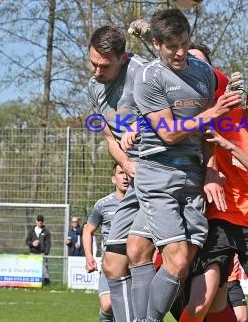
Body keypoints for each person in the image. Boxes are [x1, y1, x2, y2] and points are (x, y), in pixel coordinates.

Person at [126, 8, 242, 322]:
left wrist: (211, 168)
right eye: (170, 46)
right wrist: (213, 112)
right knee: (175, 261)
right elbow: (169, 133)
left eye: (183, 43)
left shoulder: (203, 73)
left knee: (163, 254)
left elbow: (208, 130)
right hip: (159, 173)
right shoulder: (149, 77)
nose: (179, 52)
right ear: (156, 43)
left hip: (192, 176)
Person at [179, 73, 248, 322]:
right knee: (203, 300)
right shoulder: (227, 117)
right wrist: (211, 169)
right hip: (221, 217)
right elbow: (205, 136)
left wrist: (229, 146)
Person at [87, 25, 151, 322]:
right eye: (92, 63)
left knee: (141, 253)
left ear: (123, 58)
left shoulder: (144, 72)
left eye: (104, 65)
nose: (97, 71)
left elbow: (176, 116)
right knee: (113, 263)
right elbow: (111, 140)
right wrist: (126, 165)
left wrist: (141, 127)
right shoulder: (93, 88)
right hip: (133, 172)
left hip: (162, 169)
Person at [83, 162, 130, 322]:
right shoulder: (103, 204)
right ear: (113, 178)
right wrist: (89, 257)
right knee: (108, 305)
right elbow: (87, 230)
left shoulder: (142, 202)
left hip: (135, 267)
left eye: (127, 173)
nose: (125, 177)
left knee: (130, 311)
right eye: (120, 173)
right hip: (110, 265)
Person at [25, 214, 51, 285]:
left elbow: (48, 243)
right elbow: (27, 241)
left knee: (44, 269)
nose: (40, 222)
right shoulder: (31, 231)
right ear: (36, 221)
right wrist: (32, 244)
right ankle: (32, 283)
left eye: (41, 221)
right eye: (38, 220)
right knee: (32, 268)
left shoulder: (46, 231)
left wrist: (46, 253)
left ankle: (46, 283)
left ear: (43, 222)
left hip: (42, 253)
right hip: (33, 253)